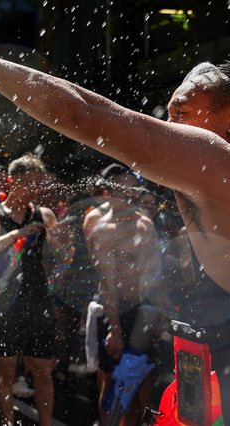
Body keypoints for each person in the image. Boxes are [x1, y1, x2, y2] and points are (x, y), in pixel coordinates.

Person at [0, 42, 230, 419]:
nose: (170, 125)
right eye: (170, 112)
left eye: (185, 109)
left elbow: (84, 113)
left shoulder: (215, 156)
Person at [0, 154, 57, 426]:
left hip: (38, 301)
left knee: (42, 370)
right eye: (27, 182)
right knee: (6, 370)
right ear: (11, 181)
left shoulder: (45, 215)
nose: (33, 188)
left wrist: (63, 246)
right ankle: (7, 423)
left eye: (37, 183)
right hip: (5, 305)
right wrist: (16, 235)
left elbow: (61, 257)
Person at [84, 164, 164, 424]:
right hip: (113, 310)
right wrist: (114, 329)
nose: (129, 196)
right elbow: (106, 283)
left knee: (141, 383)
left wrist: (162, 315)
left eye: (133, 191)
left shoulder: (144, 225)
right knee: (111, 387)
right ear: (108, 193)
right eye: (123, 191)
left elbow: (154, 276)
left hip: (142, 312)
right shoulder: (102, 227)